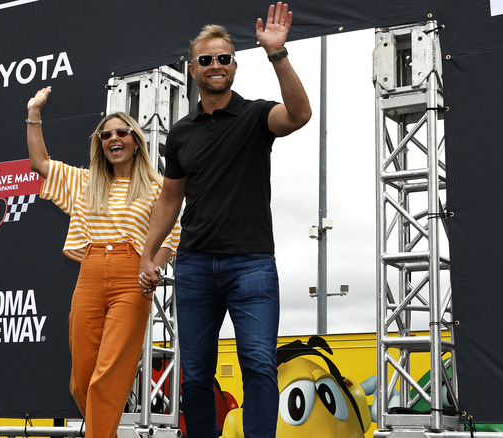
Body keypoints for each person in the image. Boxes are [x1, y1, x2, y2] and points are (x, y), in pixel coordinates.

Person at [139, 3, 312, 437]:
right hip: (194, 265)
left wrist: (278, 54)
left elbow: (299, 115)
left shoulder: (256, 114)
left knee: (257, 363)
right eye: (206, 60)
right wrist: (148, 254)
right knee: (195, 374)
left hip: (251, 264)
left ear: (234, 65)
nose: (215, 65)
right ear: (193, 70)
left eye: (223, 58)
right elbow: (169, 197)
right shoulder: (180, 133)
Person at [26, 86, 180, 438]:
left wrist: (152, 265)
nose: (114, 138)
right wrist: (34, 112)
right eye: (106, 134)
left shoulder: (157, 187)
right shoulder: (85, 181)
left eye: (122, 132)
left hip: (132, 274)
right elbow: (39, 163)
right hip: (90, 272)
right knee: (82, 378)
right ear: (100, 144)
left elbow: (171, 236)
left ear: (135, 141)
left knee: (108, 375)